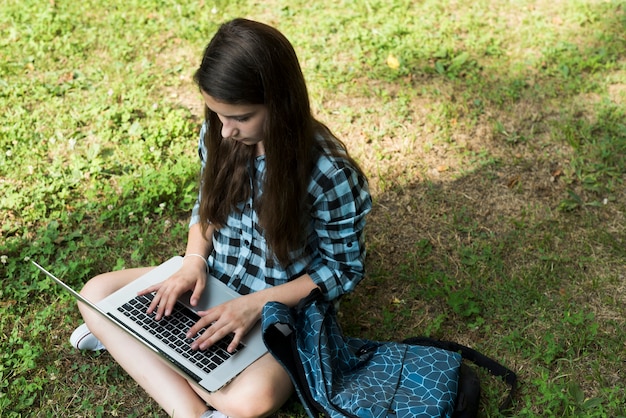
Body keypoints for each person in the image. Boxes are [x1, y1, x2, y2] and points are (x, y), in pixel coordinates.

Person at [71, 18, 371, 418]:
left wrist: (254, 306)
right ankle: (190, 410)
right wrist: (193, 261)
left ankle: (134, 343)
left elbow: (342, 269)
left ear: (280, 104)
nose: (225, 130)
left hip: (281, 311)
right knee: (95, 293)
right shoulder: (220, 132)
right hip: (210, 285)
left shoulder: (328, 171)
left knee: (251, 402)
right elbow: (207, 208)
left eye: (241, 117)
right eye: (217, 114)